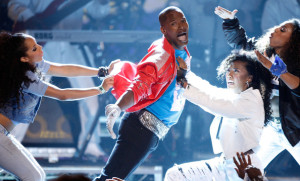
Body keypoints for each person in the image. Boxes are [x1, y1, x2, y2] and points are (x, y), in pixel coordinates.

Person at [0, 32, 116, 181]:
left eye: (37, 44)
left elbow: (66, 69)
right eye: (34, 49)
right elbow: (62, 95)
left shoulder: (34, 65)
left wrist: (102, 71)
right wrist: (100, 89)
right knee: (33, 176)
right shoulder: (27, 79)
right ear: (24, 58)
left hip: (4, 134)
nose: (40, 47)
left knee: (39, 175)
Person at [93, 6, 191, 180]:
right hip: (140, 129)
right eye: (174, 23)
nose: (182, 26)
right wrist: (118, 107)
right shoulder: (160, 56)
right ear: (164, 30)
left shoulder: (180, 50)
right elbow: (139, 86)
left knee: (113, 178)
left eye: (183, 20)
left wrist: (181, 77)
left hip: (149, 131)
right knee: (110, 179)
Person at [7, 0, 112, 157]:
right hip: (42, 43)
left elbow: (97, 11)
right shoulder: (37, 52)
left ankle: (90, 147)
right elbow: (13, 6)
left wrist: (103, 3)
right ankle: (9, 147)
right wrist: (30, 17)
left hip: (71, 43)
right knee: (27, 100)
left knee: (92, 101)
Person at [164, 51, 273, 181]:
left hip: (245, 167)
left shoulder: (251, 101)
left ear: (249, 77)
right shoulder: (234, 95)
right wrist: (187, 73)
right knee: (174, 175)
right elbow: (209, 90)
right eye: (229, 70)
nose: (230, 75)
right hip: (223, 164)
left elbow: (213, 103)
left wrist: (183, 84)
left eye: (236, 71)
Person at [215, 6, 300, 168]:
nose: (275, 29)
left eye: (283, 30)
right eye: (277, 27)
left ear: (294, 40)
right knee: (244, 170)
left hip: (295, 131)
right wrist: (230, 22)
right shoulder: (263, 54)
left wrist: (277, 70)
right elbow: (241, 43)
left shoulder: (296, 62)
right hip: (270, 130)